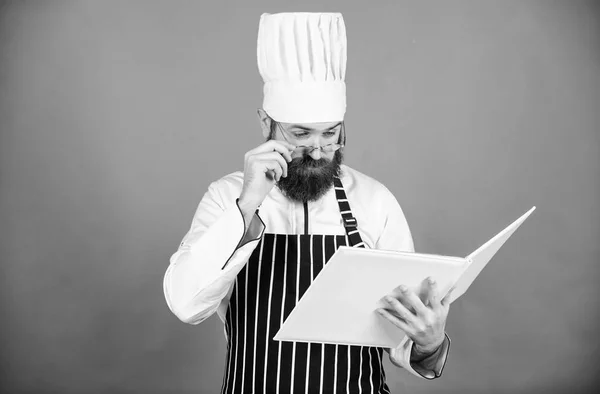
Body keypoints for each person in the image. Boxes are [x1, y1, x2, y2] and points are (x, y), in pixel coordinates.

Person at [163, 12, 453, 394]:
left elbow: (403, 338)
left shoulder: (374, 201)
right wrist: (246, 206)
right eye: (300, 134)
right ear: (265, 123)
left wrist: (430, 342)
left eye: (330, 134)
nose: (317, 151)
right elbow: (187, 304)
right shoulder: (226, 196)